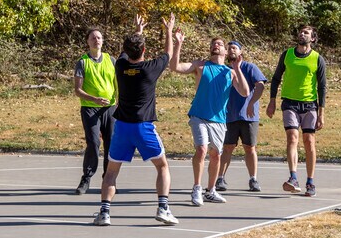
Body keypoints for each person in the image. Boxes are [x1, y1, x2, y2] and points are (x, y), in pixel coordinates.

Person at [94, 14, 178, 226]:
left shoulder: (120, 66)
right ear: (144, 51)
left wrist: (138, 30)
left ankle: (104, 213)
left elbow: (125, 51)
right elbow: (168, 53)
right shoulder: (150, 69)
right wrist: (169, 30)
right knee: (162, 166)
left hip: (121, 127)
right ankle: (163, 208)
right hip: (143, 127)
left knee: (111, 171)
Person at [170, 30, 249, 206]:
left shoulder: (230, 72)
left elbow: (245, 92)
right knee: (202, 150)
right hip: (199, 116)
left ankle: (210, 191)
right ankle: (197, 188)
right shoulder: (201, 66)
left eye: (220, 44)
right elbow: (174, 67)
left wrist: (237, 68)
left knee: (215, 155)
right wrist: (178, 44)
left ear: (226, 52)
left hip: (219, 120)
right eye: (214, 44)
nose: (216, 45)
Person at [266, 25, 327, 197]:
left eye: (306, 33)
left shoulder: (317, 59)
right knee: (292, 137)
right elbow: (276, 78)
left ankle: (310, 181)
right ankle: (293, 177)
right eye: (301, 32)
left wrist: (321, 114)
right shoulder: (287, 55)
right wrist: (272, 102)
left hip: (309, 105)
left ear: (313, 39)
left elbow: (322, 87)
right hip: (290, 103)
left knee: (309, 141)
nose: (302, 34)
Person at [215, 40, 267, 193]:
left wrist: (251, 103)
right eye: (229, 48)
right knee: (227, 147)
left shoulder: (249, 67)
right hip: (228, 115)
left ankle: (253, 179)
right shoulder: (223, 70)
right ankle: (220, 178)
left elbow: (261, 85)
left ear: (240, 52)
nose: (231, 50)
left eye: (234, 48)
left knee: (249, 148)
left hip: (248, 116)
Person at [73, 27, 117, 195]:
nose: (96, 40)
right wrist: (94, 99)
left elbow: (117, 83)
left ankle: (109, 179)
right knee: (93, 142)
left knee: (111, 144)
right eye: (93, 38)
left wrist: (119, 103)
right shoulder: (83, 62)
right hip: (90, 108)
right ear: (88, 41)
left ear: (103, 41)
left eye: (99, 37)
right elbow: (78, 90)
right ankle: (86, 178)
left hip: (110, 108)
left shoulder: (111, 60)